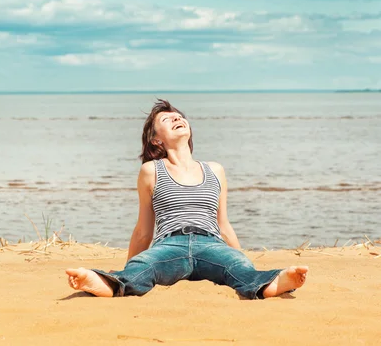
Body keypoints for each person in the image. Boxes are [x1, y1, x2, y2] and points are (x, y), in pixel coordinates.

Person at [65, 99, 308, 299]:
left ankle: (269, 284)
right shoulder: (151, 171)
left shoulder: (215, 170)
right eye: (166, 119)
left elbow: (224, 225)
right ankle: (108, 284)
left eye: (179, 116)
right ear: (156, 139)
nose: (177, 118)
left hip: (211, 244)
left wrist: (243, 261)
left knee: (237, 267)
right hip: (170, 245)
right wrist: (128, 267)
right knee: (144, 268)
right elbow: (143, 230)